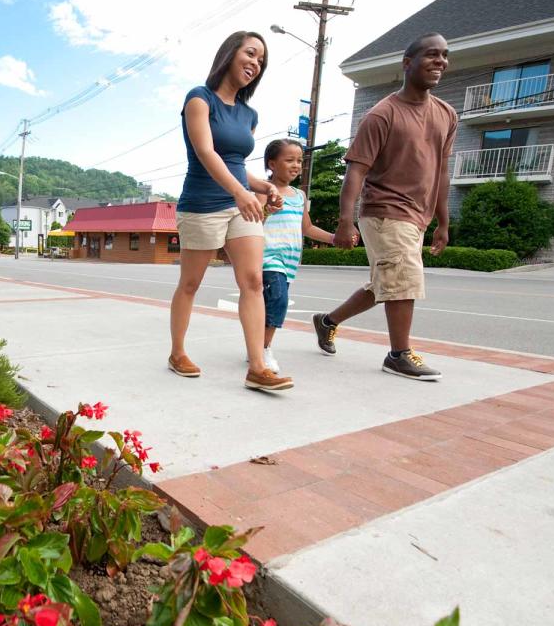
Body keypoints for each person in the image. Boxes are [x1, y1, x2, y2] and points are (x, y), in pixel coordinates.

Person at [312, 32, 456, 381]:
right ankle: (399, 354)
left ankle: (327, 321)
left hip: (417, 216)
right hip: (384, 211)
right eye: (431, 55)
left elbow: (442, 172)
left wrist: (443, 222)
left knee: (385, 284)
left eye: (445, 55)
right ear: (408, 64)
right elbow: (356, 171)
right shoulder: (382, 115)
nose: (440, 61)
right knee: (404, 279)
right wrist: (345, 221)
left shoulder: (447, 114)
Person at [168, 31, 293, 391]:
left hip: (241, 205)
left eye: (261, 60)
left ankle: (257, 366)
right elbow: (207, 153)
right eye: (250, 53)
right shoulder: (199, 99)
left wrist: (265, 186)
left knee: (253, 281)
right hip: (202, 204)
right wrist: (240, 192)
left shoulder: (249, 114)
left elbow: (237, 163)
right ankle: (177, 352)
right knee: (190, 283)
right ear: (230, 54)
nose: (255, 63)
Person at [259, 138, 345, 375]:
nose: (296, 165)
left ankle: (257, 347)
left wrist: (333, 238)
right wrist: (266, 208)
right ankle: (263, 350)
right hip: (268, 257)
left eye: (299, 161)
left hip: (290, 261)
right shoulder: (263, 190)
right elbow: (253, 221)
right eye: (289, 160)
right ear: (272, 164)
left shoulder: (299, 195)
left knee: (269, 305)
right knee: (278, 301)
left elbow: (306, 228)